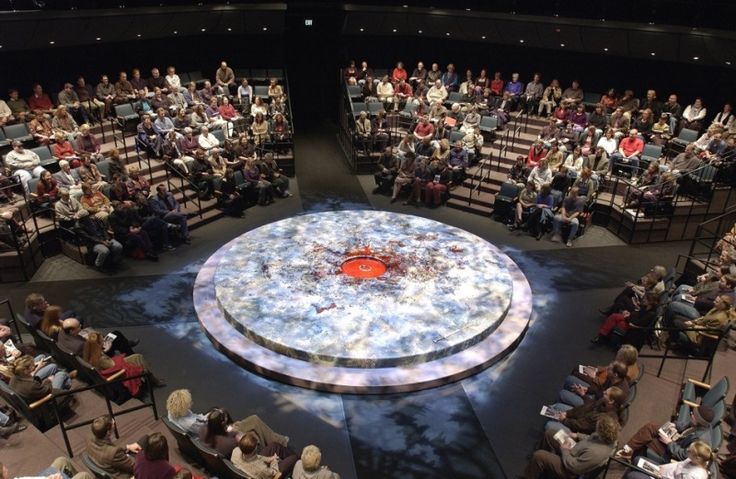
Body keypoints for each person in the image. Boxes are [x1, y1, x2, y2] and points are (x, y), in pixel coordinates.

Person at [523, 416, 619, 479]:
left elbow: (574, 467)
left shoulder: (596, 453)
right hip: (574, 450)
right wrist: (577, 435)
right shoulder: (607, 437)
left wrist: (565, 450)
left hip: (569, 469)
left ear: (602, 431)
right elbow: (591, 438)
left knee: (539, 455)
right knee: (550, 433)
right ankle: (538, 467)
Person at [615, 406, 714, 463]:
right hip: (676, 439)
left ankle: (629, 452)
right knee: (651, 426)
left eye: (694, 415)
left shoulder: (701, 440)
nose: (691, 414)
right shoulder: (698, 423)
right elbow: (684, 424)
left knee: (649, 440)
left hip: (672, 454)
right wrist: (674, 424)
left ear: (699, 420)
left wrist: (669, 442)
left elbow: (685, 456)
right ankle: (628, 450)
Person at [83, 331, 165, 391]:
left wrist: (105, 351)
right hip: (118, 370)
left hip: (112, 366)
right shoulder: (99, 358)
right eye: (102, 341)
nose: (103, 342)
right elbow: (114, 366)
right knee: (137, 359)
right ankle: (151, 379)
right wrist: (109, 350)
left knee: (136, 358)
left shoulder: (91, 352)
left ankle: (150, 377)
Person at [86, 414, 140, 478]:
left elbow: (109, 451)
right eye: (113, 423)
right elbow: (135, 467)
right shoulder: (114, 453)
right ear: (108, 432)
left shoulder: (89, 437)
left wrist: (127, 447)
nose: (114, 421)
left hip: (105, 465)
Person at [231, 431, 299, 479]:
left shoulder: (236, 451)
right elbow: (274, 473)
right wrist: (274, 461)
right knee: (294, 458)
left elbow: (256, 458)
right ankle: (300, 461)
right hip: (269, 474)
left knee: (274, 446)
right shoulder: (262, 469)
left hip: (250, 469)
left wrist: (270, 458)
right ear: (254, 450)